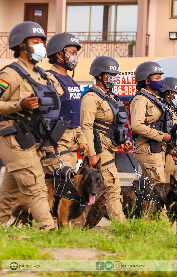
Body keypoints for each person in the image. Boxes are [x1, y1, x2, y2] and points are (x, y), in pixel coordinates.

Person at [0, 21, 66, 230]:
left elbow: (60, 95)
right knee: (36, 188)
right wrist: (19, 104)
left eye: (42, 42)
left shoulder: (41, 74)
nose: (41, 46)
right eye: (35, 42)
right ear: (22, 45)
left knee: (9, 191)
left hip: (31, 139)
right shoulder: (10, 74)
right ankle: (48, 231)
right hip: (11, 137)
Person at [73, 56, 132, 226]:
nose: (113, 77)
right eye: (109, 74)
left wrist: (122, 142)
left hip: (110, 149)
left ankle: (74, 226)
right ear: (99, 75)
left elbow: (111, 125)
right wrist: (92, 154)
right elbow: (86, 127)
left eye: (115, 74)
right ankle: (123, 227)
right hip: (99, 152)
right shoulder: (91, 98)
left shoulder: (110, 98)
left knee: (93, 192)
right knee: (111, 188)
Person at [41, 32, 88, 173]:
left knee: (69, 186)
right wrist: (43, 141)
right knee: (62, 185)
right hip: (56, 141)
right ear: (59, 54)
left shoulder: (72, 81)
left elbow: (74, 115)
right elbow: (42, 112)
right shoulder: (48, 78)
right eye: (72, 52)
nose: (75, 57)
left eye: (76, 53)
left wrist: (82, 139)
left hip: (72, 143)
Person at [130, 61, 173, 185]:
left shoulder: (156, 100)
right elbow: (137, 125)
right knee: (160, 188)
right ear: (147, 80)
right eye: (157, 78)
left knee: (151, 190)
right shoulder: (140, 100)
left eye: (161, 78)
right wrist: (161, 136)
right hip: (147, 149)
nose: (160, 81)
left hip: (157, 148)